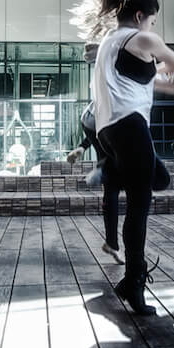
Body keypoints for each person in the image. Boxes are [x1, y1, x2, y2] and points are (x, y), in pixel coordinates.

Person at [87, 0, 174, 316]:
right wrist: (169, 72)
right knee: (140, 205)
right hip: (130, 125)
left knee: (159, 179)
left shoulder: (110, 42)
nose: (153, 27)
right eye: (153, 21)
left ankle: (111, 171)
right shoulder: (143, 39)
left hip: (109, 131)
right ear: (140, 16)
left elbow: (143, 79)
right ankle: (133, 282)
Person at [66, 101, 124, 264]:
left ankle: (100, 164)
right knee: (113, 183)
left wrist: (84, 146)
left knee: (112, 181)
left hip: (90, 118)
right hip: (106, 119)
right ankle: (103, 167)